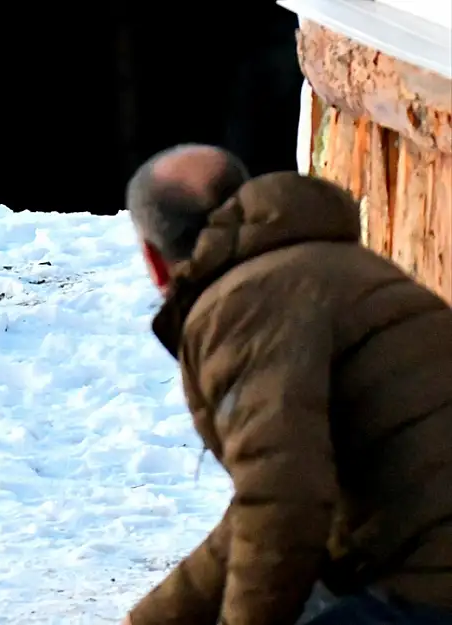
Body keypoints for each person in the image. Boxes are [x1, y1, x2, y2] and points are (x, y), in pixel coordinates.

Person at [120, 144, 452, 625]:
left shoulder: (242, 304)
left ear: (153, 261)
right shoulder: (341, 269)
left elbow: (284, 503)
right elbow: (262, 508)